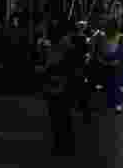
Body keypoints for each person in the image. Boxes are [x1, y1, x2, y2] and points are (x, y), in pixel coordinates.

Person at [39, 26, 81, 156]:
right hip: (55, 87)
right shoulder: (54, 47)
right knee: (58, 117)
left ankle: (64, 145)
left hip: (62, 87)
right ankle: (61, 145)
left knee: (61, 117)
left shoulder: (65, 47)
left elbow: (67, 68)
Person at [95, 22, 123, 113]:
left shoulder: (120, 37)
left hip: (116, 65)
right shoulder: (103, 37)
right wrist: (101, 59)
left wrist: (117, 60)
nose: (109, 30)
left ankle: (117, 104)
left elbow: (122, 51)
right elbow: (100, 49)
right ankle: (110, 103)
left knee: (116, 85)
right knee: (108, 84)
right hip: (107, 64)